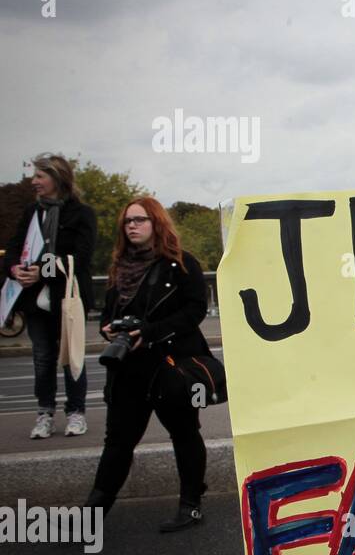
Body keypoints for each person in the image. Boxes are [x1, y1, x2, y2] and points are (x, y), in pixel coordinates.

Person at [85, 197, 213, 532]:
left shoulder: (182, 263)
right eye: (127, 221)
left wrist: (151, 332)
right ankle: (92, 515)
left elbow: (195, 310)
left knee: (184, 434)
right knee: (118, 442)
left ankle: (191, 506)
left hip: (170, 365)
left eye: (140, 220)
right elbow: (109, 313)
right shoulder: (120, 267)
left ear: (156, 223)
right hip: (128, 369)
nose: (132, 226)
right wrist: (108, 327)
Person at [2, 154, 96, 439]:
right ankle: (44, 413)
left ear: (57, 178)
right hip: (34, 302)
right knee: (42, 359)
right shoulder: (32, 212)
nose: (34, 182)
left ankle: (76, 412)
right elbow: (15, 246)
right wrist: (15, 268)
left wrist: (41, 272)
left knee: (71, 356)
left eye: (39, 176)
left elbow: (80, 257)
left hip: (67, 299)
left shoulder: (81, 214)